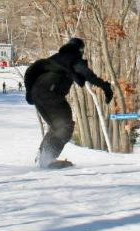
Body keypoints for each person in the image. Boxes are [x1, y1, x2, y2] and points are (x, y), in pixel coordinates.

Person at [24, 38, 114, 169]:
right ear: (80, 50)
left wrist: (30, 92)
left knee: (56, 127)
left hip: (38, 94)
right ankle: (48, 158)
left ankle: (43, 154)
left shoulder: (57, 58)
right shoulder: (72, 58)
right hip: (51, 93)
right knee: (66, 126)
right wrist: (105, 86)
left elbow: (33, 69)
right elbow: (87, 74)